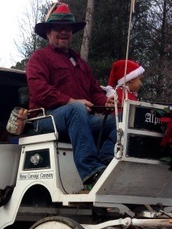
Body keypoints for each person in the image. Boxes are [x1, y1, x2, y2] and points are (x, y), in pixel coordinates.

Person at [26, 2, 116, 186]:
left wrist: (106, 101)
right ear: (48, 32)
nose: (64, 32)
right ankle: (91, 171)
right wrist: (70, 101)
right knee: (76, 109)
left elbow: (94, 91)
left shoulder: (81, 63)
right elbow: (40, 90)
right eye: (59, 28)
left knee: (119, 122)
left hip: (80, 119)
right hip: (45, 119)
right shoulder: (39, 58)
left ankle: (106, 162)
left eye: (68, 28)